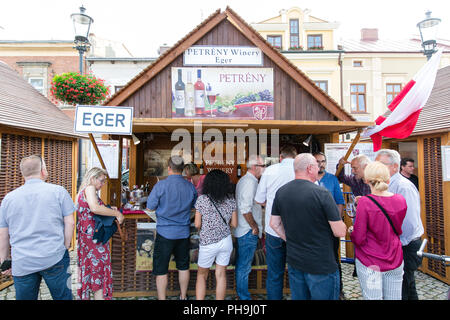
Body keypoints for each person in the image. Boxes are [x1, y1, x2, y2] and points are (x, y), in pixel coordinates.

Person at [270, 153, 346, 300]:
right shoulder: (322, 193)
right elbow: (339, 231)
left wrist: (290, 239)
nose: (319, 168)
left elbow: (274, 224)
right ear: (310, 168)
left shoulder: (281, 192)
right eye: (317, 165)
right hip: (321, 263)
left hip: (295, 261)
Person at [0, 155, 75, 300]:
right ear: (42, 170)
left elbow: (3, 233)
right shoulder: (58, 191)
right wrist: (65, 246)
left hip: (22, 260)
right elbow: (70, 223)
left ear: (23, 173)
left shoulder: (9, 199)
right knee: (63, 297)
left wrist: (4, 260)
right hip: (54, 255)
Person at [348, 161, 407, 300]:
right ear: (388, 179)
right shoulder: (400, 200)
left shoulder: (365, 202)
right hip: (395, 257)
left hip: (370, 261)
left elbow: (359, 238)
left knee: (373, 297)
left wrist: (352, 231)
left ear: (367, 180)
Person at [147, 156, 197, 300]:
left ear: (168, 168)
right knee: (183, 266)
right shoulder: (190, 186)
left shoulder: (160, 186)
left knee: (161, 268)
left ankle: (162, 298)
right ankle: (183, 296)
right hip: (183, 232)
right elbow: (194, 207)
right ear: (182, 170)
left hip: (164, 233)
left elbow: (150, 207)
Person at [375, 149, 424, 300]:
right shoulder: (386, 184)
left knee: (404, 289)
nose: (377, 168)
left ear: (395, 166)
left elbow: (409, 223)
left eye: (381, 164)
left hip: (405, 245)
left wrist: (395, 244)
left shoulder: (403, 186)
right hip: (396, 245)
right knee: (402, 288)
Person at [254, 144, 297, 300]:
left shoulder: (270, 171)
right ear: (296, 155)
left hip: (274, 230)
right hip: (296, 230)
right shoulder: (301, 170)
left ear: (280, 157)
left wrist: (271, 204)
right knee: (296, 272)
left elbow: (259, 200)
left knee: (274, 274)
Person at [76, 167, 124, 300]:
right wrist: (116, 213)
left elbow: (92, 210)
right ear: (92, 178)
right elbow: (94, 208)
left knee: (93, 273)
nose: (103, 184)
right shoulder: (90, 188)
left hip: (87, 240)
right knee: (99, 274)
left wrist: (108, 209)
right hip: (94, 241)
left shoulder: (82, 191)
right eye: (101, 181)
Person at [194, 170, 237, 300]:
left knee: (202, 275)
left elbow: (197, 224)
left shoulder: (202, 199)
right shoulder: (231, 200)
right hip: (225, 241)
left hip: (208, 242)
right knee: (221, 275)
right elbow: (234, 224)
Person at [313, 152, 345, 299]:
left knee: (333, 259)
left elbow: (339, 202)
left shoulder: (332, 179)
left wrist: (335, 221)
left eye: (323, 161)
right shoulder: (308, 178)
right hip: (313, 228)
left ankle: (338, 290)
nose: (321, 164)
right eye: (317, 161)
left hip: (330, 228)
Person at [234, 155, 265, 300]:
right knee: (244, 267)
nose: (264, 168)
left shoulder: (248, 181)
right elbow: (245, 209)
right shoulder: (249, 183)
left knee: (243, 265)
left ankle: (242, 295)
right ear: (254, 167)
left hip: (244, 230)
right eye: (262, 165)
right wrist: (254, 227)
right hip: (247, 231)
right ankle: (244, 297)